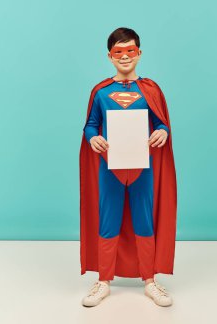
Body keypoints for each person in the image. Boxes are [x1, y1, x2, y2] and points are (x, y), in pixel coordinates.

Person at [79, 27, 177, 307]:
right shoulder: (101, 92)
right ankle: (103, 281)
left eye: (130, 50)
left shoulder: (151, 90)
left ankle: (150, 280)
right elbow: (90, 124)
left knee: (144, 220)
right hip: (110, 166)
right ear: (110, 57)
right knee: (108, 220)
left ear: (139, 53)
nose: (125, 57)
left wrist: (163, 131)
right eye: (118, 52)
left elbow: (160, 122)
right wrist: (92, 137)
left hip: (142, 167)